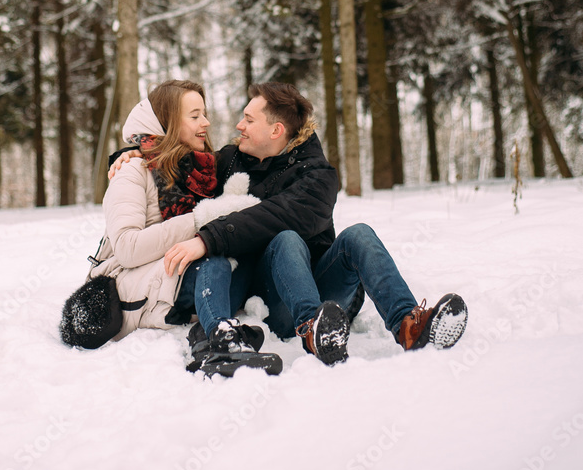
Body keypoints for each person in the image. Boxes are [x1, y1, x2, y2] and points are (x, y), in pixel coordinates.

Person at [158, 82, 468, 366]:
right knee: (285, 239)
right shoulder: (230, 161)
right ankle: (311, 330)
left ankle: (408, 325)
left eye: (249, 120)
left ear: (276, 130)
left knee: (350, 234)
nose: (239, 126)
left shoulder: (318, 176)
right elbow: (175, 157)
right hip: (270, 302)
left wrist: (208, 238)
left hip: (325, 291)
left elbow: (278, 215)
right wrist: (130, 154)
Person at [70, 80, 281, 376]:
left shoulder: (203, 170)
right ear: (166, 123)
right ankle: (218, 343)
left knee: (239, 248)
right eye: (194, 116)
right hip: (134, 284)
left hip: (178, 276)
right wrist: (201, 218)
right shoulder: (132, 172)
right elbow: (128, 250)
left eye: (204, 114)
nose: (205, 123)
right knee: (212, 257)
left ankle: (222, 330)